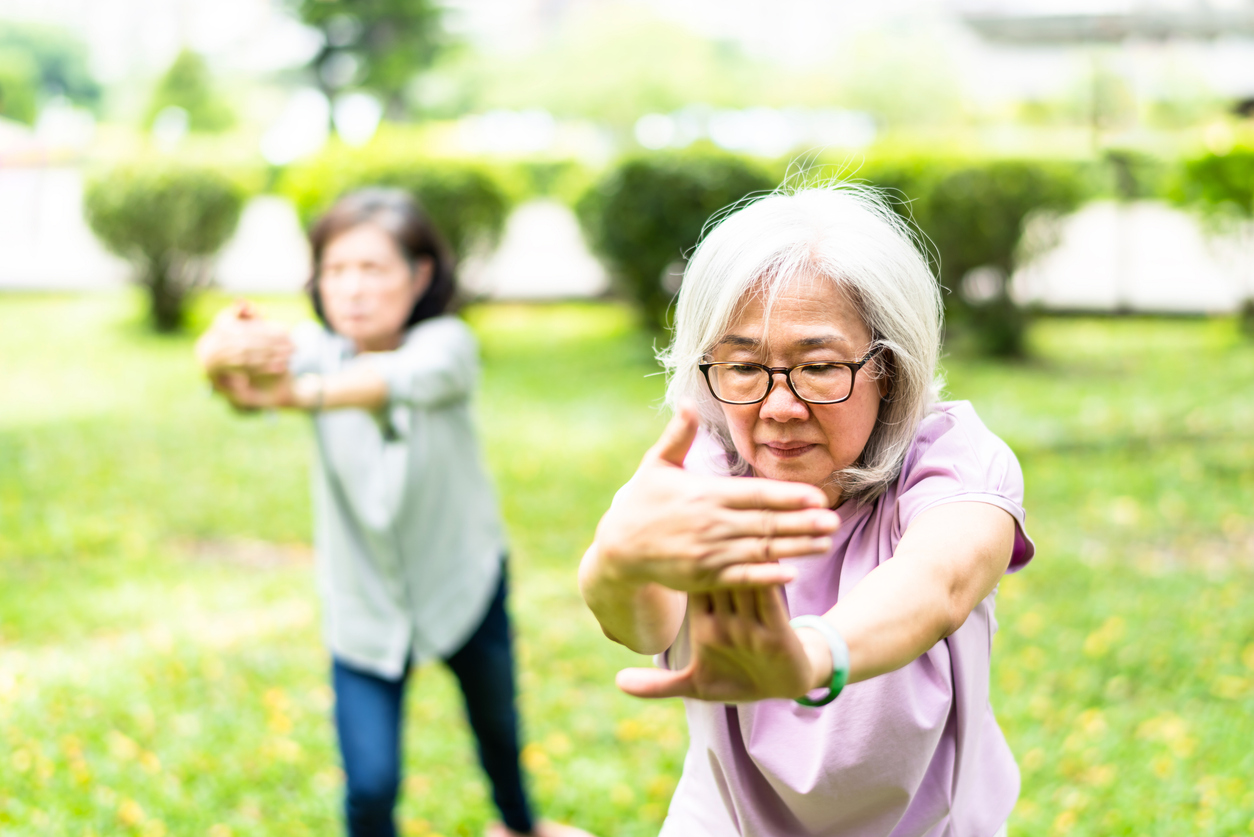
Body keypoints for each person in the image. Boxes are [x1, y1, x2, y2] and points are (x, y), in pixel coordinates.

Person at [579, 184, 1035, 837]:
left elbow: (941, 580)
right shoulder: (705, 470)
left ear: (890, 366)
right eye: (743, 365)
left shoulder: (952, 458)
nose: (779, 405)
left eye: (817, 365)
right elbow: (645, 624)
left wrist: (814, 652)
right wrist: (616, 562)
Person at [196, 188, 594, 837]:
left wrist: (296, 392)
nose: (352, 289)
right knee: (371, 785)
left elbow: (392, 380)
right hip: (364, 599)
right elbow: (237, 382)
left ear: (421, 274)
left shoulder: (449, 344)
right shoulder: (315, 349)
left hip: (463, 576)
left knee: (498, 726)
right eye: (336, 269)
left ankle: (521, 827)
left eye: (373, 269)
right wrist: (220, 351)